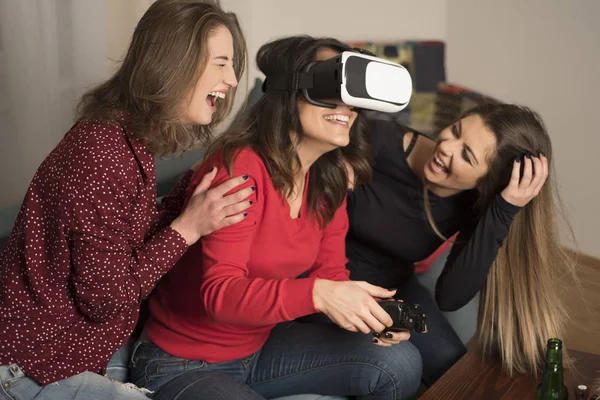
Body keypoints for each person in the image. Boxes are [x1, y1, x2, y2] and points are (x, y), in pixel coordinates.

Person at [130, 36, 423, 400]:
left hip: (262, 348)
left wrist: (372, 317)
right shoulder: (239, 169)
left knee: (400, 362)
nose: (345, 105)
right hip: (182, 361)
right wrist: (319, 294)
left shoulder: (326, 181)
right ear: (288, 92)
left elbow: (329, 276)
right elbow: (219, 295)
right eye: (330, 86)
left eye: (350, 93)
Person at [0, 1, 259, 399]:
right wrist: (187, 228)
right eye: (221, 62)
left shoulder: (123, 139)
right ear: (174, 63)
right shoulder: (103, 153)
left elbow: (122, 240)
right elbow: (105, 300)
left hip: (72, 352)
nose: (233, 78)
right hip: (32, 365)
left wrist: (188, 195)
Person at [345, 104, 579, 385]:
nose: (446, 147)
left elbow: (450, 297)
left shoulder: (474, 204)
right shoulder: (379, 140)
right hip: (339, 282)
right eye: (455, 131)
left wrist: (503, 210)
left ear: (484, 184)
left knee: (457, 378)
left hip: (397, 289)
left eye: (466, 156)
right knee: (398, 367)